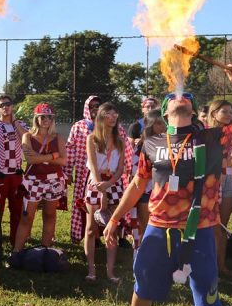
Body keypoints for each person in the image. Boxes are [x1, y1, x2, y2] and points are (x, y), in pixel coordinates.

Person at [104, 64, 232, 306]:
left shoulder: (213, 138)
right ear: (165, 112)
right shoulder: (151, 143)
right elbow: (136, 185)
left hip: (202, 230)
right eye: (173, 98)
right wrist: (113, 218)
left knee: (209, 300)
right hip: (159, 229)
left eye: (186, 99)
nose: (180, 98)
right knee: (142, 287)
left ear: (193, 112)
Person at [65, 95, 133, 244]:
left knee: (115, 205)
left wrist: (128, 169)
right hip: (87, 175)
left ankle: (118, 237)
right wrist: (68, 171)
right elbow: (70, 150)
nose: (95, 108)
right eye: (92, 106)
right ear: (87, 109)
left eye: (98, 105)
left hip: (113, 174)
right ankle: (93, 238)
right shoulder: (79, 126)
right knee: (89, 208)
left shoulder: (117, 129)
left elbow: (125, 150)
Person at [14, 103, 67, 253]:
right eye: (42, 117)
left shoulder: (58, 137)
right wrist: (53, 155)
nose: (46, 120)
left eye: (49, 117)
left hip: (55, 181)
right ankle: (16, 253)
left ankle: (45, 251)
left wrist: (41, 157)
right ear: (36, 118)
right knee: (26, 218)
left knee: (50, 215)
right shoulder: (27, 136)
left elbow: (64, 161)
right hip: (33, 181)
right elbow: (30, 159)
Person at [83, 102, 125, 282]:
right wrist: (102, 190)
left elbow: (120, 169)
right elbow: (93, 166)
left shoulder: (120, 141)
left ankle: (110, 272)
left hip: (113, 185)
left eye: (115, 113)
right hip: (96, 184)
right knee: (92, 229)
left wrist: (109, 185)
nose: (114, 116)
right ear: (101, 116)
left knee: (112, 229)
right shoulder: (92, 139)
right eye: (109, 113)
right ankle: (91, 271)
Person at [205, 99, 232, 276]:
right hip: (212, 181)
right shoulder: (206, 134)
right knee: (211, 227)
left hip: (228, 180)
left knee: (222, 226)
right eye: (225, 111)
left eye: (231, 112)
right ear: (214, 113)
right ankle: (209, 267)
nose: (229, 115)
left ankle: (221, 266)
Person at [0, 95, 28, 245]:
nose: (5, 107)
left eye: (8, 104)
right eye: (1, 105)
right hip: (0, 175)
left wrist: (15, 123)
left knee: (17, 211)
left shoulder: (20, 124)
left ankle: (16, 243)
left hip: (17, 175)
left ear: (12, 106)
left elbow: (27, 138)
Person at [134, 110, 166, 247]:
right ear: (150, 125)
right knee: (148, 229)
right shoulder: (141, 146)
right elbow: (136, 174)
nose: (163, 127)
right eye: (159, 123)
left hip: (165, 194)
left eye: (165, 123)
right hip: (145, 192)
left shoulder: (171, 143)